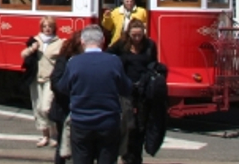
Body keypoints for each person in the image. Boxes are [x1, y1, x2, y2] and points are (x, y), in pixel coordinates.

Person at [58, 24, 132, 164]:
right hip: (108, 122)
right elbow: (126, 88)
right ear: (103, 41)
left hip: (81, 122)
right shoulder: (114, 61)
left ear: (82, 42)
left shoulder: (74, 62)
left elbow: (63, 87)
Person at [108, 20, 158, 164]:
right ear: (129, 33)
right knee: (128, 125)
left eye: (139, 35)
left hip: (143, 90)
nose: (137, 39)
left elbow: (153, 64)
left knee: (141, 127)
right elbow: (109, 55)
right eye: (134, 35)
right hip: (126, 89)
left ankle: (137, 157)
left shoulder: (149, 45)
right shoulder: (122, 44)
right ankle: (126, 156)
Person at [21, 16, 64, 148]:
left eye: (50, 27)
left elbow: (63, 60)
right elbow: (23, 55)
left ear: (54, 28)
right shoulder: (35, 40)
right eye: (45, 27)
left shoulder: (60, 42)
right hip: (35, 78)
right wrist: (32, 49)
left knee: (46, 108)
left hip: (50, 79)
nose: (47, 29)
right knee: (38, 108)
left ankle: (54, 134)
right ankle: (45, 135)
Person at [50, 30, 83, 164]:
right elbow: (55, 82)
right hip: (63, 107)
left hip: (80, 108)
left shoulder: (89, 58)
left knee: (80, 147)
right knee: (61, 145)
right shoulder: (64, 57)